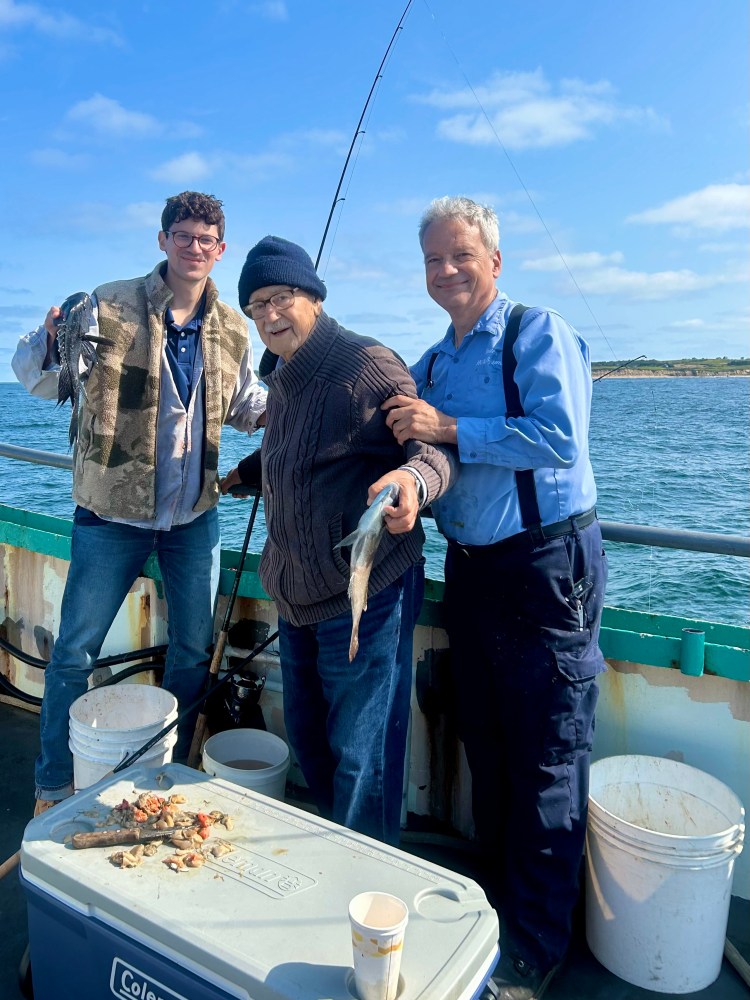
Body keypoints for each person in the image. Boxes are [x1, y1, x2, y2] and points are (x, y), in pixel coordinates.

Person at [382, 196, 608, 1000]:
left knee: (547, 754)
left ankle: (538, 943)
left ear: (495, 261)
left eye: (461, 256)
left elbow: (557, 438)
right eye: (433, 260)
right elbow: (418, 446)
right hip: (470, 570)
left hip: (548, 568)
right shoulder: (434, 359)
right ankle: (493, 908)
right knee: (484, 735)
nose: (446, 271)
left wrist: (444, 428)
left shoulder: (535, 332)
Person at [12, 191, 267, 815]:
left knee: (190, 649)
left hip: (193, 519)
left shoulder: (234, 327)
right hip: (108, 516)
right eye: (183, 235)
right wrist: (46, 340)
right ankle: (52, 784)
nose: (194, 247)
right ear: (162, 240)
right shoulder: (106, 304)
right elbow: (39, 379)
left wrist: (303, 395)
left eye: (206, 239)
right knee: (74, 651)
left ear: (221, 249)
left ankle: (170, 773)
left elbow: (244, 407)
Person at [221, 236, 456, 845]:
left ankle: (369, 884)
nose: (269, 316)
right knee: (308, 741)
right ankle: (337, 858)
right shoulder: (283, 377)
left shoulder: (366, 364)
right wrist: (233, 477)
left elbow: (430, 449)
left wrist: (414, 481)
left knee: (363, 758)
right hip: (295, 594)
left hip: (366, 592)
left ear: (314, 298)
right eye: (256, 307)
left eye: (281, 298)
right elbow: (293, 453)